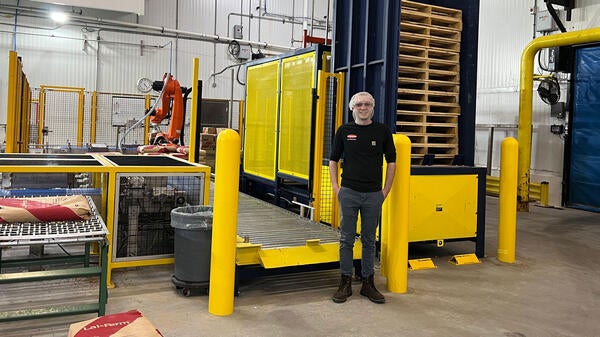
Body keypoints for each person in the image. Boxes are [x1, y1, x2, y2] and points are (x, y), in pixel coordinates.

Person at [329, 91, 396, 304]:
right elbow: (333, 160)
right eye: (359, 104)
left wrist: (385, 191)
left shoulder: (382, 131)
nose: (363, 108)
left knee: (369, 240)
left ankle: (368, 283)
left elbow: (392, 162)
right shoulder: (344, 131)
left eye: (367, 104)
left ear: (373, 107)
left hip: (373, 194)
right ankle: (345, 283)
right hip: (348, 192)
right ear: (352, 108)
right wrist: (336, 188)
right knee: (346, 239)